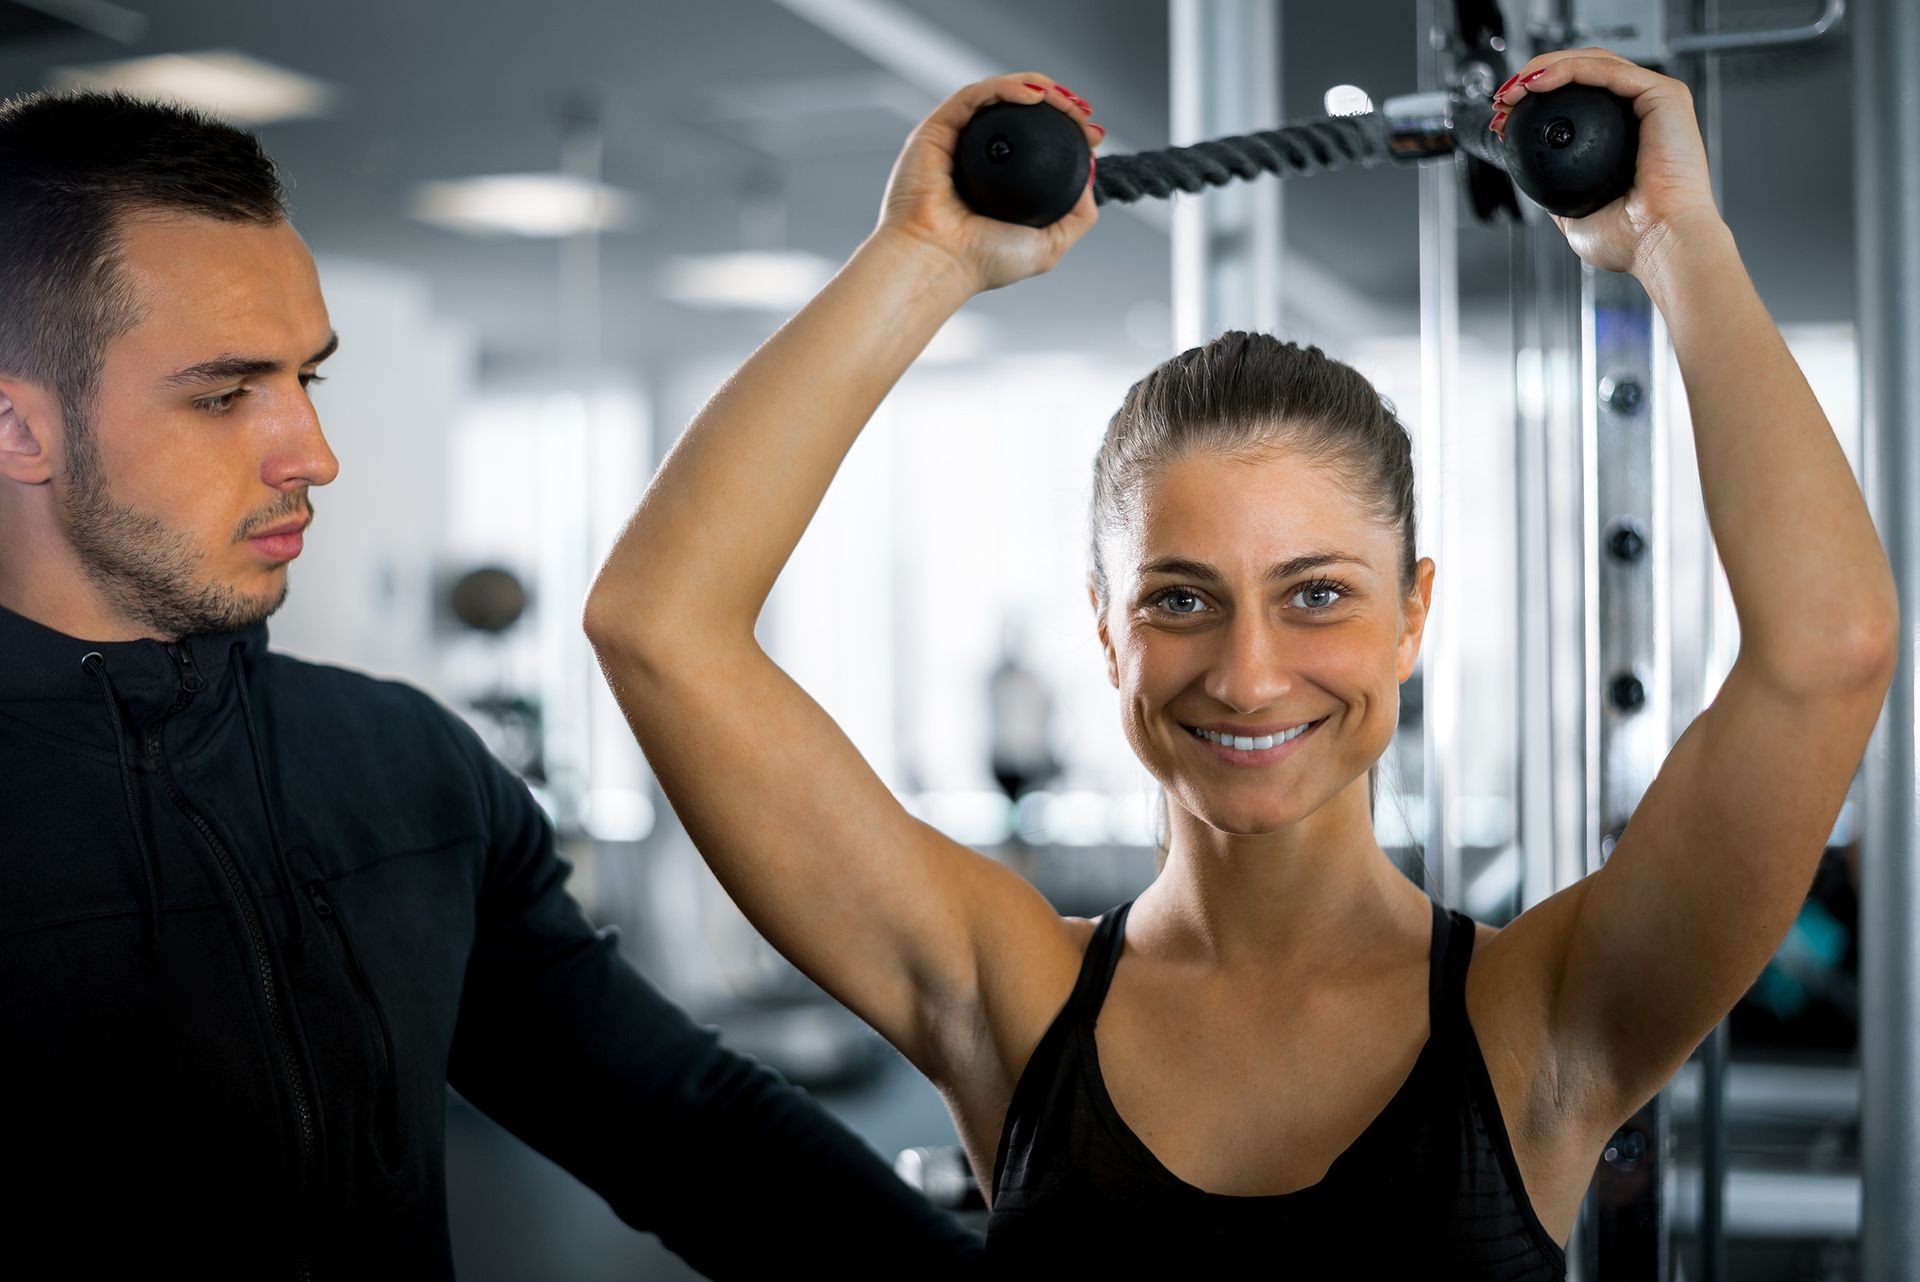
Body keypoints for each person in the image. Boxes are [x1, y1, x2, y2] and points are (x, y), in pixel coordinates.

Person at [583, 49, 1899, 1275]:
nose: (1250, 671)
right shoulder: (1007, 992)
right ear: (1105, 626)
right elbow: (658, 624)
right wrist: (921, 257)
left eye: (1317, 592)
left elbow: (1829, 653)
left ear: (1412, 614)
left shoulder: (1543, 1015)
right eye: (1180, 598)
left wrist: (1680, 243)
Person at [0, 90, 984, 1279]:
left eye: (311, 378)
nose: (313, 453)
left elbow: (686, 1125)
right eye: (224, 393)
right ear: (19, 429)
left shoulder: (403, 765)